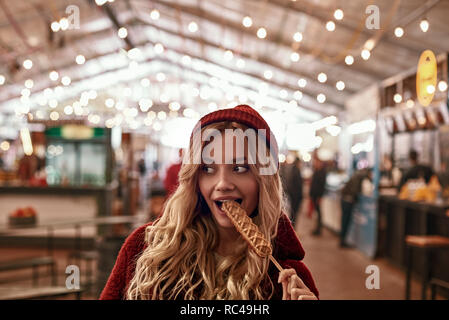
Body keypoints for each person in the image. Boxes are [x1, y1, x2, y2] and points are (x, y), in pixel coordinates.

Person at [100, 104, 318, 300]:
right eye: (208, 169)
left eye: (239, 168)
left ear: (264, 180)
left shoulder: (288, 279)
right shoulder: (145, 248)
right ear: (194, 178)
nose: (222, 183)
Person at [340, 168, 372, 248]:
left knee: (344, 221)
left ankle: (343, 239)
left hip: (345, 200)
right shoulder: (359, 178)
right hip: (348, 201)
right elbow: (354, 191)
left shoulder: (356, 176)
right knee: (346, 221)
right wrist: (357, 197)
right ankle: (343, 241)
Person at [309, 159, 327, 236]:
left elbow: (322, 186)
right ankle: (317, 228)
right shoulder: (316, 171)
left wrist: (320, 197)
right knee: (316, 213)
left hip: (317, 196)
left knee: (318, 213)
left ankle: (318, 229)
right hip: (314, 195)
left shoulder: (322, 173)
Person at [284, 157, 303, 227]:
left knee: (293, 212)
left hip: (293, 195)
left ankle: (292, 226)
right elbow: (298, 185)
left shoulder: (293, 170)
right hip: (296, 196)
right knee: (294, 212)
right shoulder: (296, 171)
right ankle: (293, 226)